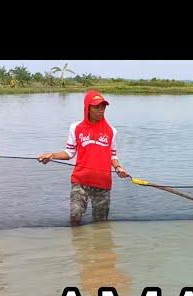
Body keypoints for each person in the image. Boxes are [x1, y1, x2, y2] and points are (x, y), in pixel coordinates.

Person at [37, 90, 130, 226]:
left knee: (101, 225)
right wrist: (52, 155)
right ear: (87, 108)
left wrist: (118, 167)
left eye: (103, 107)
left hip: (103, 184)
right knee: (75, 218)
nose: (101, 110)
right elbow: (69, 152)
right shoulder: (76, 128)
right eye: (97, 107)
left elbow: (112, 154)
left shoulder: (112, 131)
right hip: (80, 182)